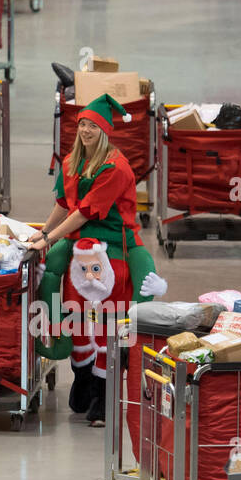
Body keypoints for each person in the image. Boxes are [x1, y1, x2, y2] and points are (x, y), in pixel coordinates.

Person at [27, 94, 166, 424]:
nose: (85, 131)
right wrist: (42, 233)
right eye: (82, 125)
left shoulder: (114, 167)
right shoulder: (71, 163)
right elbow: (63, 204)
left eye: (92, 126)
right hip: (79, 240)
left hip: (115, 243)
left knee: (108, 325)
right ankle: (82, 379)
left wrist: (50, 238)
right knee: (78, 321)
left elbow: (83, 213)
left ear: (104, 132)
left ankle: (106, 398)